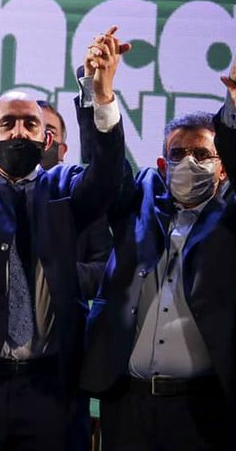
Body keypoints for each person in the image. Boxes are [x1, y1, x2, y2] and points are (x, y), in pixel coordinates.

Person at [0, 27, 127, 450]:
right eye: (7, 123)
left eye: (30, 124)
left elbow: (106, 177)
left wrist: (100, 96)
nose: (18, 132)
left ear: (46, 139)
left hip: (51, 390)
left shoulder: (64, 187)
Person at [81, 59, 236, 450]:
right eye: (178, 153)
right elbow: (106, 167)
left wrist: (234, 104)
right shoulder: (141, 197)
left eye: (202, 154)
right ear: (163, 164)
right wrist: (101, 97)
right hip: (127, 404)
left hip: (205, 410)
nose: (189, 162)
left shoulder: (231, 216)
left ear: (223, 169)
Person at [36, 99, 113, 450]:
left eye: (48, 132)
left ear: (63, 149)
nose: (39, 139)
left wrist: (53, 277)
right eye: (31, 128)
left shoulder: (81, 199)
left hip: (58, 371)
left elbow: (104, 267)